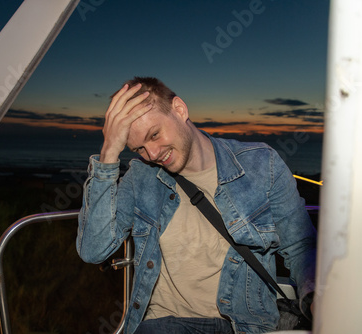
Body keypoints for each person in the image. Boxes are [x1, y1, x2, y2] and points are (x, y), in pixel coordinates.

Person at [76, 77, 316, 334]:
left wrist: (318, 300)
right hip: (165, 324)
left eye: (154, 134)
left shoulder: (261, 165)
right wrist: (109, 152)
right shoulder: (140, 177)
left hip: (245, 325)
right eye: (139, 148)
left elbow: (300, 246)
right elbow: (94, 250)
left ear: (179, 109)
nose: (153, 154)